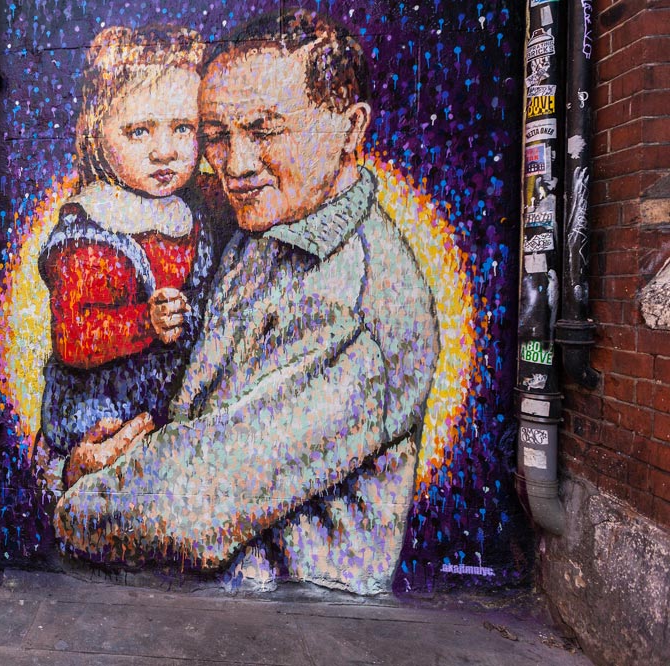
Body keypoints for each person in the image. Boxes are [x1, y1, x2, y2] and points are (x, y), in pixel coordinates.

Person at [52, 10, 441, 595]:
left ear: (350, 129)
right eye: (215, 135)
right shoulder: (262, 228)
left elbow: (194, 502)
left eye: (264, 130)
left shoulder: (361, 299)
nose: (235, 165)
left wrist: (75, 497)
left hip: (300, 622)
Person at [37, 25, 216, 487]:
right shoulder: (92, 229)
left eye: (184, 127)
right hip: (99, 416)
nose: (165, 151)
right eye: (139, 131)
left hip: (162, 413)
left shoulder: (191, 212)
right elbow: (73, 338)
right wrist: (145, 324)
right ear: (98, 133)